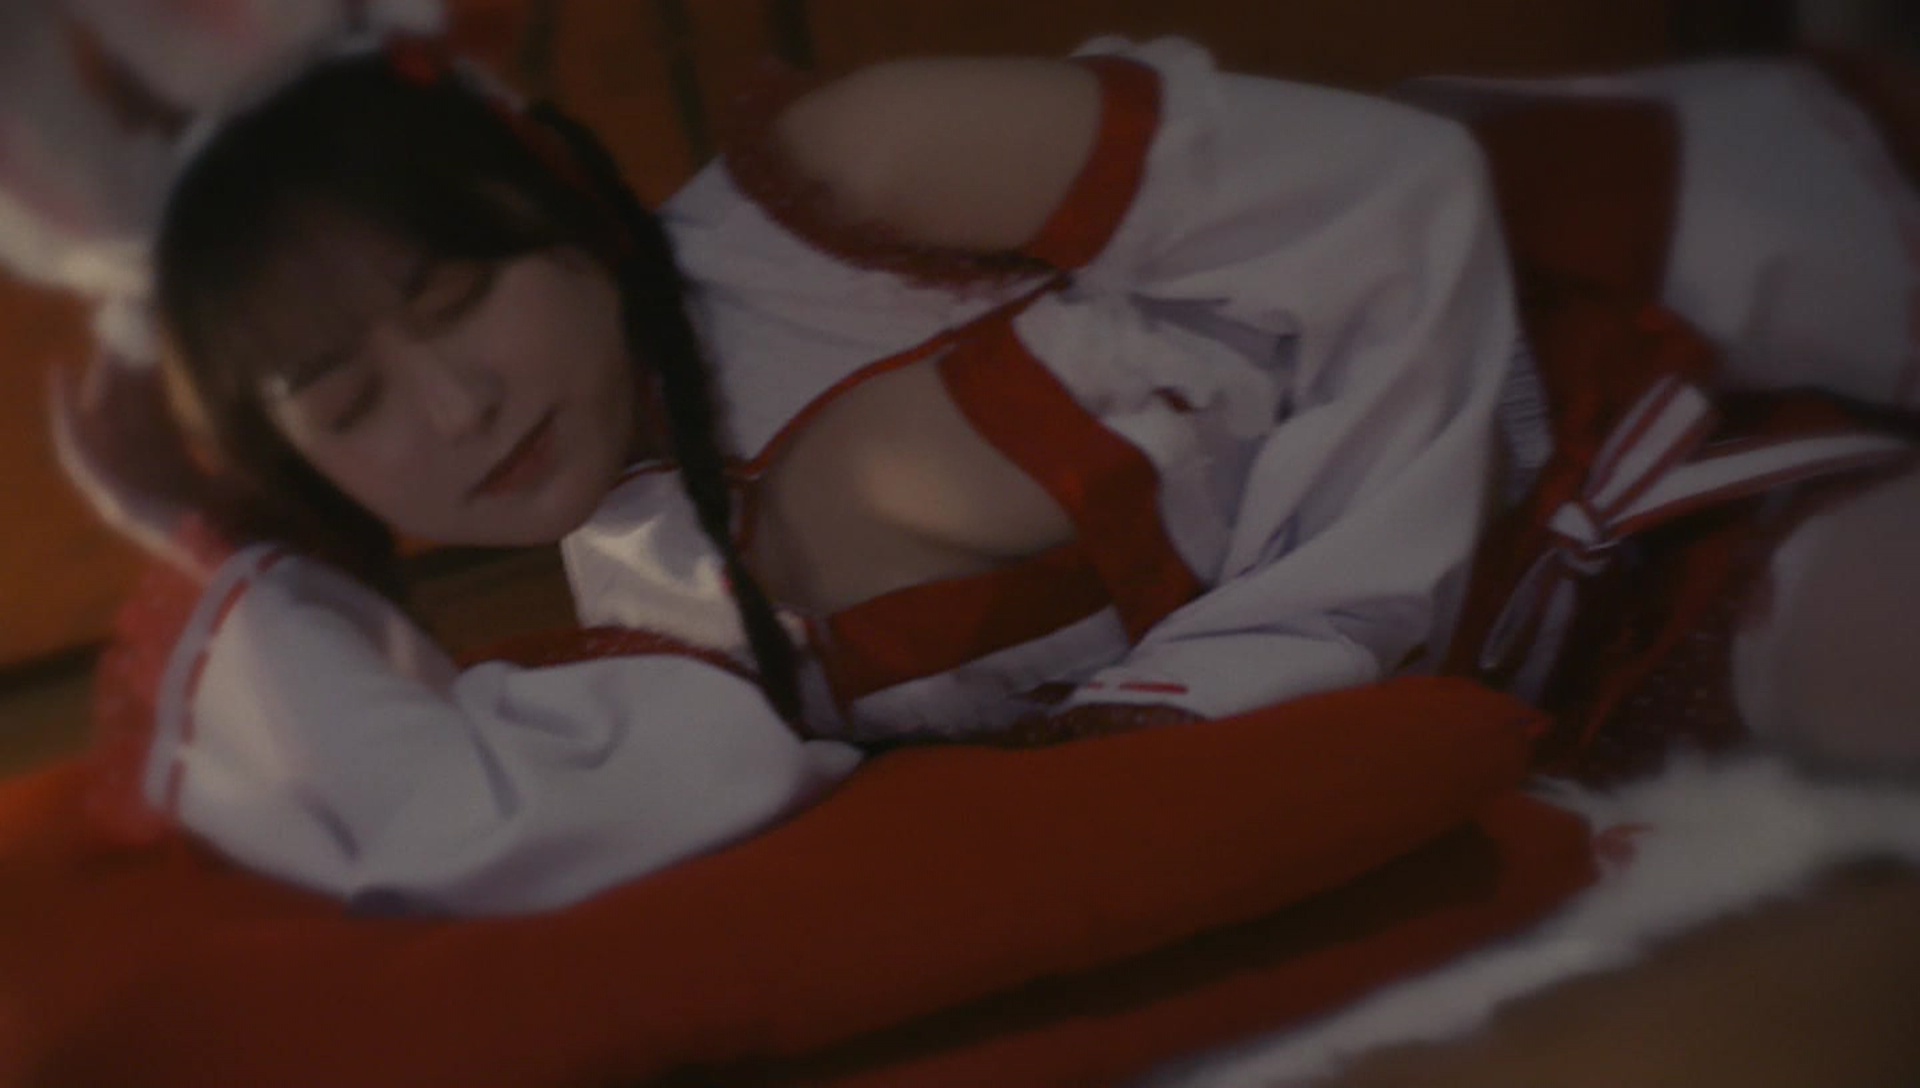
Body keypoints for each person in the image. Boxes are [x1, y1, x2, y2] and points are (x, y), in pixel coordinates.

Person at [51, 26, 1920, 923]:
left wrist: (1275, 665)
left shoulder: (845, 181)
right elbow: (447, 836)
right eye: (347, 402)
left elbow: (1393, 210)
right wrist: (207, 533)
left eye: (456, 298)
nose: (454, 408)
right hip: (1535, 669)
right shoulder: (663, 632)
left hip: (1604, 328)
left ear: (552, 205)